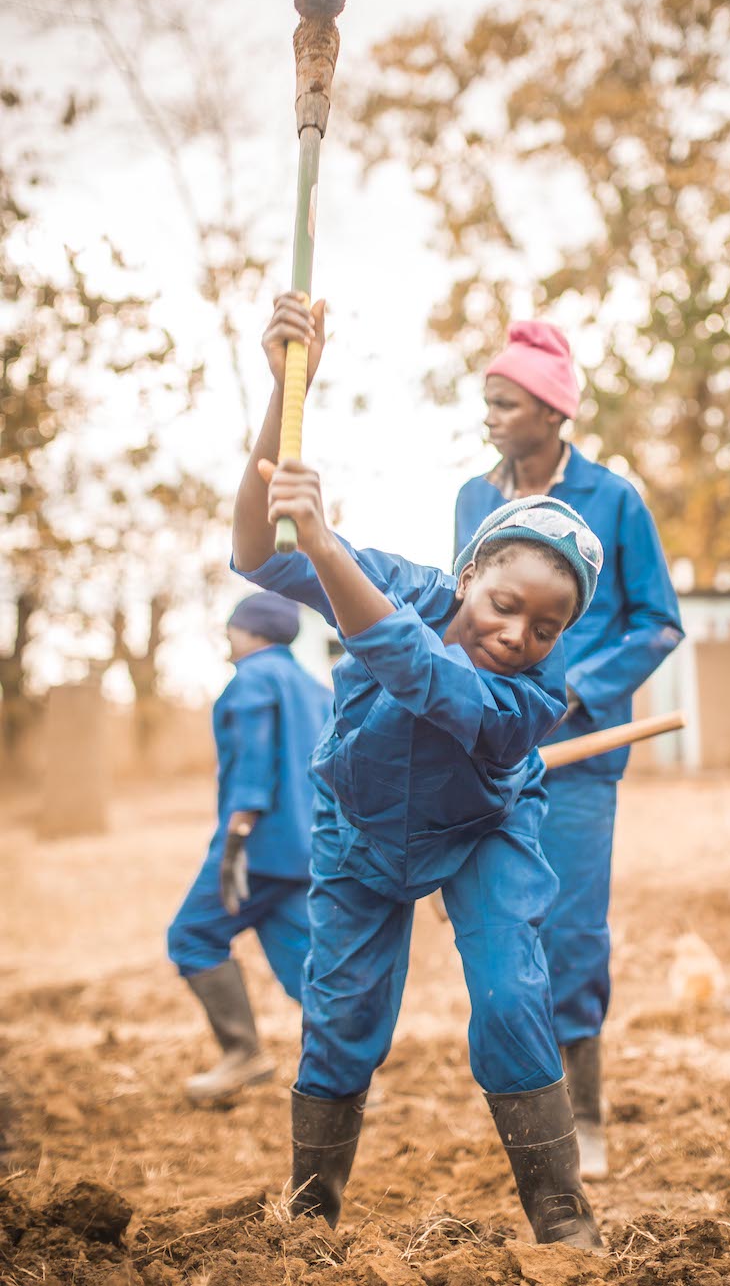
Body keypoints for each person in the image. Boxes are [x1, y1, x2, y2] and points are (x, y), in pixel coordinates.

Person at [230, 292, 606, 1249]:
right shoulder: (405, 584)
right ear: (469, 571)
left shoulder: (530, 698)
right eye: (504, 601)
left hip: (484, 831)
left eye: (545, 627)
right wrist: (286, 389)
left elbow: (422, 675)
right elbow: (254, 553)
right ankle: (312, 1201)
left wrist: (325, 543)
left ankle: (558, 1204)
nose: (516, 633)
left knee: (516, 992)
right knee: (345, 1012)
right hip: (359, 832)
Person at [454, 321, 684, 1176]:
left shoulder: (614, 500)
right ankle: (531, 1107)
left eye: (504, 403)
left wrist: (573, 686)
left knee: (571, 928)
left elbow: (658, 622)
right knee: (501, 928)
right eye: (486, 401)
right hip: (489, 749)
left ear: (551, 412)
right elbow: (461, 609)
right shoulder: (473, 501)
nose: (490, 418)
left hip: (580, 755)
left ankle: (584, 1113)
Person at [167, 590, 332, 1102]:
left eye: (232, 627)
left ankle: (243, 1054)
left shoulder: (253, 680)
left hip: (257, 848)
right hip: (306, 849)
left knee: (193, 936)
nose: (228, 636)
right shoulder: (315, 687)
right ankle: (345, 1067)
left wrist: (236, 839)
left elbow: (254, 766)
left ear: (251, 631)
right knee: (304, 963)